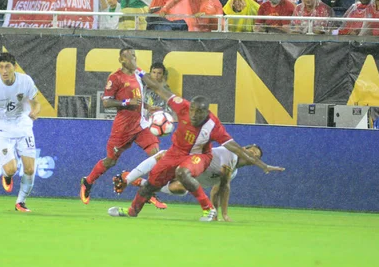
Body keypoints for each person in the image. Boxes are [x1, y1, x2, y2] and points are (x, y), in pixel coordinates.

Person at [108, 71, 284, 221]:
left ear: (206, 112)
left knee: (182, 173)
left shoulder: (213, 126)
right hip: (176, 152)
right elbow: (158, 88)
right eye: (192, 109)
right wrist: (138, 71)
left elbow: (237, 148)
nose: (193, 114)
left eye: (198, 112)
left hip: (200, 156)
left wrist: (263, 165)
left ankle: (208, 209)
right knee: (150, 186)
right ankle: (131, 212)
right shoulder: (182, 106)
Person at [79, 48, 162, 206]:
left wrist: (147, 108)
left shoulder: (138, 73)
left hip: (141, 124)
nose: (134, 60)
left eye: (135, 57)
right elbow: (106, 101)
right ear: (122, 60)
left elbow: (139, 97)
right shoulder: (115, 77)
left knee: (156, 156)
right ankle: (88, 182)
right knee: (110, 161)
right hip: (123, 128)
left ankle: (147, 191)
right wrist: (125, 103)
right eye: (130, 58)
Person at [113, 144, 269, 221]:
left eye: (256, 156)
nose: (252, 155)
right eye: (251, 151)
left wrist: (218, 214)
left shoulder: (233, 173)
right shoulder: (229, 154)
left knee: (180, 189)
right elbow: (225, 187)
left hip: (187, 180)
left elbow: (217, 190)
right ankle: (129, 178)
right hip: (186, 162)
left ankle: (141, 183)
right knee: (164, 155)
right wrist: (225, 214)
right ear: (243, 149)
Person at [0, 52, 41, 212]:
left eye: (7, 66)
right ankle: (7, 175)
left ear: (15, 67)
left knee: (30, 169)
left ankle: (20, 203)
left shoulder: (26, 81)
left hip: (23, 126)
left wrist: (35, 111)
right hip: (1, 129)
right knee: (11, 169)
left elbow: (36, 102)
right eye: (1, 67)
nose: (4, 71)